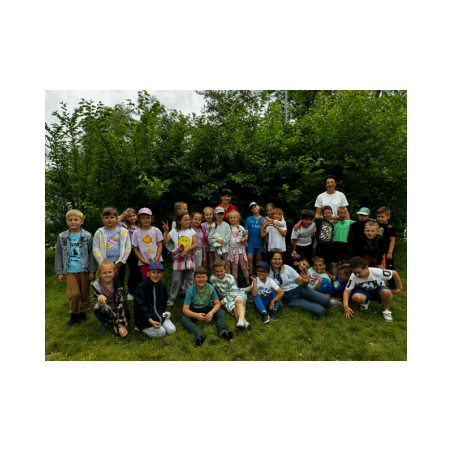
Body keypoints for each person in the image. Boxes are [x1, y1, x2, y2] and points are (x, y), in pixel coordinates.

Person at [55, 209, 97, 325]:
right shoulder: (62, 236)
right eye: (70, 220)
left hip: (84, 270)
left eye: (76, 219)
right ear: (66, 222)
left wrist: (92, 270)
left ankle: (83, 312)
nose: (73, 222)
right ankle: (73, 314)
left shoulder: (87, 236)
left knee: (84, 293)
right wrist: (59, 272)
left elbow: (91, 254)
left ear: (82, 221)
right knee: (74, 294)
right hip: (69, 270)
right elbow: (58, 254)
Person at [182, 266, 234, 346]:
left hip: (208, 308)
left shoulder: (210, 288)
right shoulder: (190, 291)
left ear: (207, 278)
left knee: (221, 312)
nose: (201, 279)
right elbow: (185, 309)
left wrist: (211, 313)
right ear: (194, 278)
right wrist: (196, 315)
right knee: (184, 318)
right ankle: (199, 334)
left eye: (203, 277)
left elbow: (217, 303)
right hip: (194, 309)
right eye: (198, 277)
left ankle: (222, 332)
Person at [268, 251, 330, 317]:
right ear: (270, 260)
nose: (277, 261)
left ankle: (311, 300)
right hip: (290, 298)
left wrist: (306, 281)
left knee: (326, 300)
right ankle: (310, 303)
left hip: (299, 289)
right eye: (274, 259)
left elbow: (301, 282)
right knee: (321, 311)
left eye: (279, 259)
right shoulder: (267, 272)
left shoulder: (287, 268)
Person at [342, 256, 403, 322]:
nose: (356, 275)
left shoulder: (377, 272)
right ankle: (365, 301)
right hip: (363, 290)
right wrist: (346, 306)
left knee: (387, 292)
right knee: (356, 297)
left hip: (378, 288)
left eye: (359, 272)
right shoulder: (353, 276)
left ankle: (386, 310)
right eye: (354, 272)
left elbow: (394, 273)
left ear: (366, 268)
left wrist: (399, 288)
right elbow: (347, 292)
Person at [162, 212, 197, 308]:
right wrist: (166, 231)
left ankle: (189, 298)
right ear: (179, 221)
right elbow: (165, 241)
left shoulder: (191, 231)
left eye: (189, 220)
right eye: (185, 220)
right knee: (176, 280)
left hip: (188, 257)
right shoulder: (174, 232)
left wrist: (186, 250)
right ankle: (171, 299)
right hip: (178, 259)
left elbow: (195, 244)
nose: (188, 221)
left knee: (189, 279)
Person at [133, 261, 176, 338]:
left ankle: (163, 316)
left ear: (162, 274)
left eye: (158, 272)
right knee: (162, 333)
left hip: (157, 315)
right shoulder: (141, 288)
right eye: (153, 272)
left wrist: (159, 314)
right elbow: (140, 307)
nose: (156, 275)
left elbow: (163, 303)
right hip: (145, 319)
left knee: (172, 330)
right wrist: (150, 320)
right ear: (148, 273)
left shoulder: (162, 287)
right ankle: (140, 327)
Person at [93, 207, 131, 287]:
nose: (109, 220)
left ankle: (119, 295)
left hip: (119, 263)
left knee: (119, 282)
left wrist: (121, 262)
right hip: (104, 262)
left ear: (117, 218)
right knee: (106, 282)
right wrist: (102, 263)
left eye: (112, 217)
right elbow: (95, 249)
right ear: (102, 219)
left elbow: (128, 247)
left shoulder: (124, 231)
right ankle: (105, 295)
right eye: (106, 217)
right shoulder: (99, 232)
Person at [92, 259, 129, 337]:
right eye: (104, 273)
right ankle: (105, 322)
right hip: (107, 308)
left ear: (114, 272)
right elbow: (95, 297)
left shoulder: (118, 286)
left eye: (110, 272)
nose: (107, 275)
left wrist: (121, 325)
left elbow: (120, 305)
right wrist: (99, 296)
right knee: (97, 307)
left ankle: (119, 321)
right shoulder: (96, 284)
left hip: (118, 309)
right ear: (99, 274)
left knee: (119, 333)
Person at [210, 259, 251, 329]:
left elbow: (234, 293)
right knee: (234, 309)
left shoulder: (230, 277)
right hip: (226, 299)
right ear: (213, 271)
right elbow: (213, 290)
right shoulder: (212, 278)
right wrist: (213, 299)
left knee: (238, 302)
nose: (219, 273)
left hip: (236, 293)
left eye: (221, 271)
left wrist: (222, 302)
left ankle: (241, 320)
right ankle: (245, 323)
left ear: (225, 270)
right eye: (216, 271)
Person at [131, 207, 164, 280]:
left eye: (148, 218)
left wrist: (157, 259)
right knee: (146, 280)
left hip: (156, 261)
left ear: (151, 218)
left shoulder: (156, 230)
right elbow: (135, 249)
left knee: (156, 279)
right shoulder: (136, 233)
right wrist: (143, 261)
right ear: (139, 219)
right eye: (143, 218)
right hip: (144, 262)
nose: (146, 220)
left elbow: (160, 245)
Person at [117, 208, 141, 300]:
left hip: (136, 251)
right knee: (125, 272)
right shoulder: (122, 225)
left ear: (137, 216)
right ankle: (125, 293)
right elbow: (113, 222)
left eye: (134, 215)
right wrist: (122, 216)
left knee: (136, 272)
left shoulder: (139, 226)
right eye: (129, 216)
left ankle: (134, 291)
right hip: (124, 251)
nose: (132, 218)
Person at [227, 211, 250, 286]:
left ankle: (248, 282)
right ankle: (235, 284)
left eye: (234, 217)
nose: (232, 219)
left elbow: (246, 236)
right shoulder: (228, 228)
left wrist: (244, 240)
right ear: (228, 219)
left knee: (244, 266)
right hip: (232, 251)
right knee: (234, 268)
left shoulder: (240, 227)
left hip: (240, 250)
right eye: (231, 217)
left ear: (237, 219)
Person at [376, 206, 397, 289]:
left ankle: (392, 285)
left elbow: (392, 240)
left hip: (387, 250)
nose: (380, 218)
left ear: (388, 216)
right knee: (379, 267)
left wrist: (390, 252)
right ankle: (379, 283)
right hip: (378, 250)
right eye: (378, 217)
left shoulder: (390, 227)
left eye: (382, 217)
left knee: (389, 267)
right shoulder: (376, 225)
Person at [313, 205, 338, 273]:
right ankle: (323, 277)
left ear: (332, 213)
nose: (327, 214)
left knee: (335, 263)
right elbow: (309, 218)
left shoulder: (332, 224)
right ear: (322, 214)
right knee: (322, 264)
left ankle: (334, 278)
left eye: (329, 213)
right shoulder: (319, 221)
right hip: (321, 245)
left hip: (330, 245)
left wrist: (333, 218)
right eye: (325, 213)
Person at [244, 201, 264, 275]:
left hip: (260, 242)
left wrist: (265, 244)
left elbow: (265, 233)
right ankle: (250, 275)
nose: (254, 209)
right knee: (249, 258)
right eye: (252, 208)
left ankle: (259, 274)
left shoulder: (263, 219)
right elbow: (246, 231)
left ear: (259, 207)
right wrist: (245, 242)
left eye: (255, 207)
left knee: (258, 258)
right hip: (251, 242)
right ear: (251, 210)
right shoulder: (249, 219)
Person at [201, 207, 215, 271]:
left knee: (212, 261)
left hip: (212, 246)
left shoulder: (215, 224)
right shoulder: (202, 225)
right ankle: (203, 273)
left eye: (210, 214)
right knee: (204, 260)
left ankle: (212, 272)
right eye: (206, 215)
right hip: (204, 246)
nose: (208, 216)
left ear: (213, 215)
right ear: (204, 216)